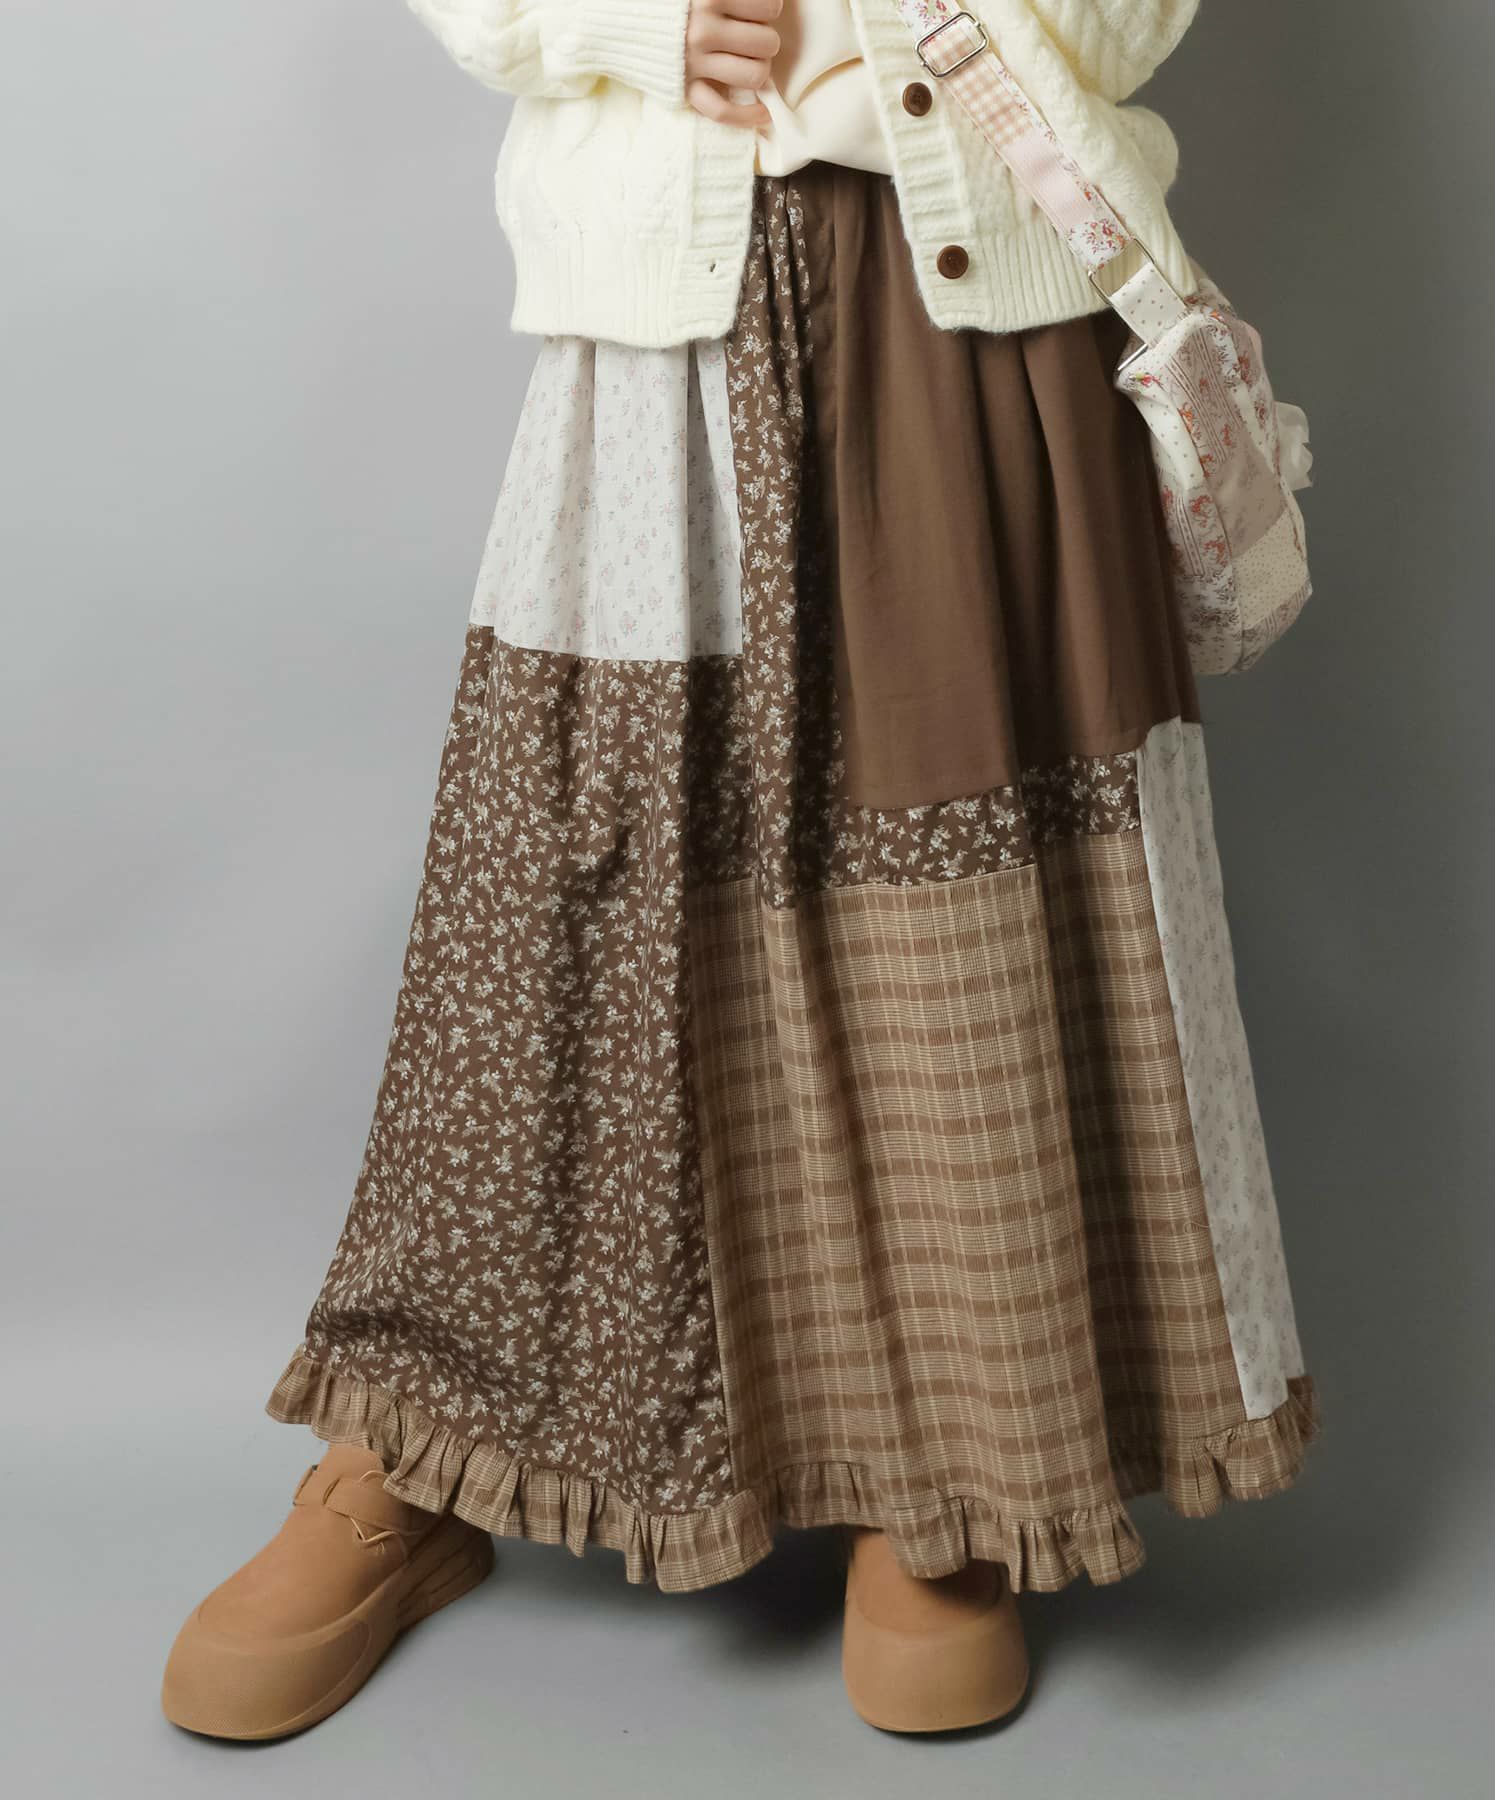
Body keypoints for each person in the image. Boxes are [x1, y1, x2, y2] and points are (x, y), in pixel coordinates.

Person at [161, 0, 1319, 1743]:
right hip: (655, 317)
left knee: (957, 906)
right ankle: (415, 1447)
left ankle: (954, 1474)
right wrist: (633, 22)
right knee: (558, 902)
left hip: (972, 315)